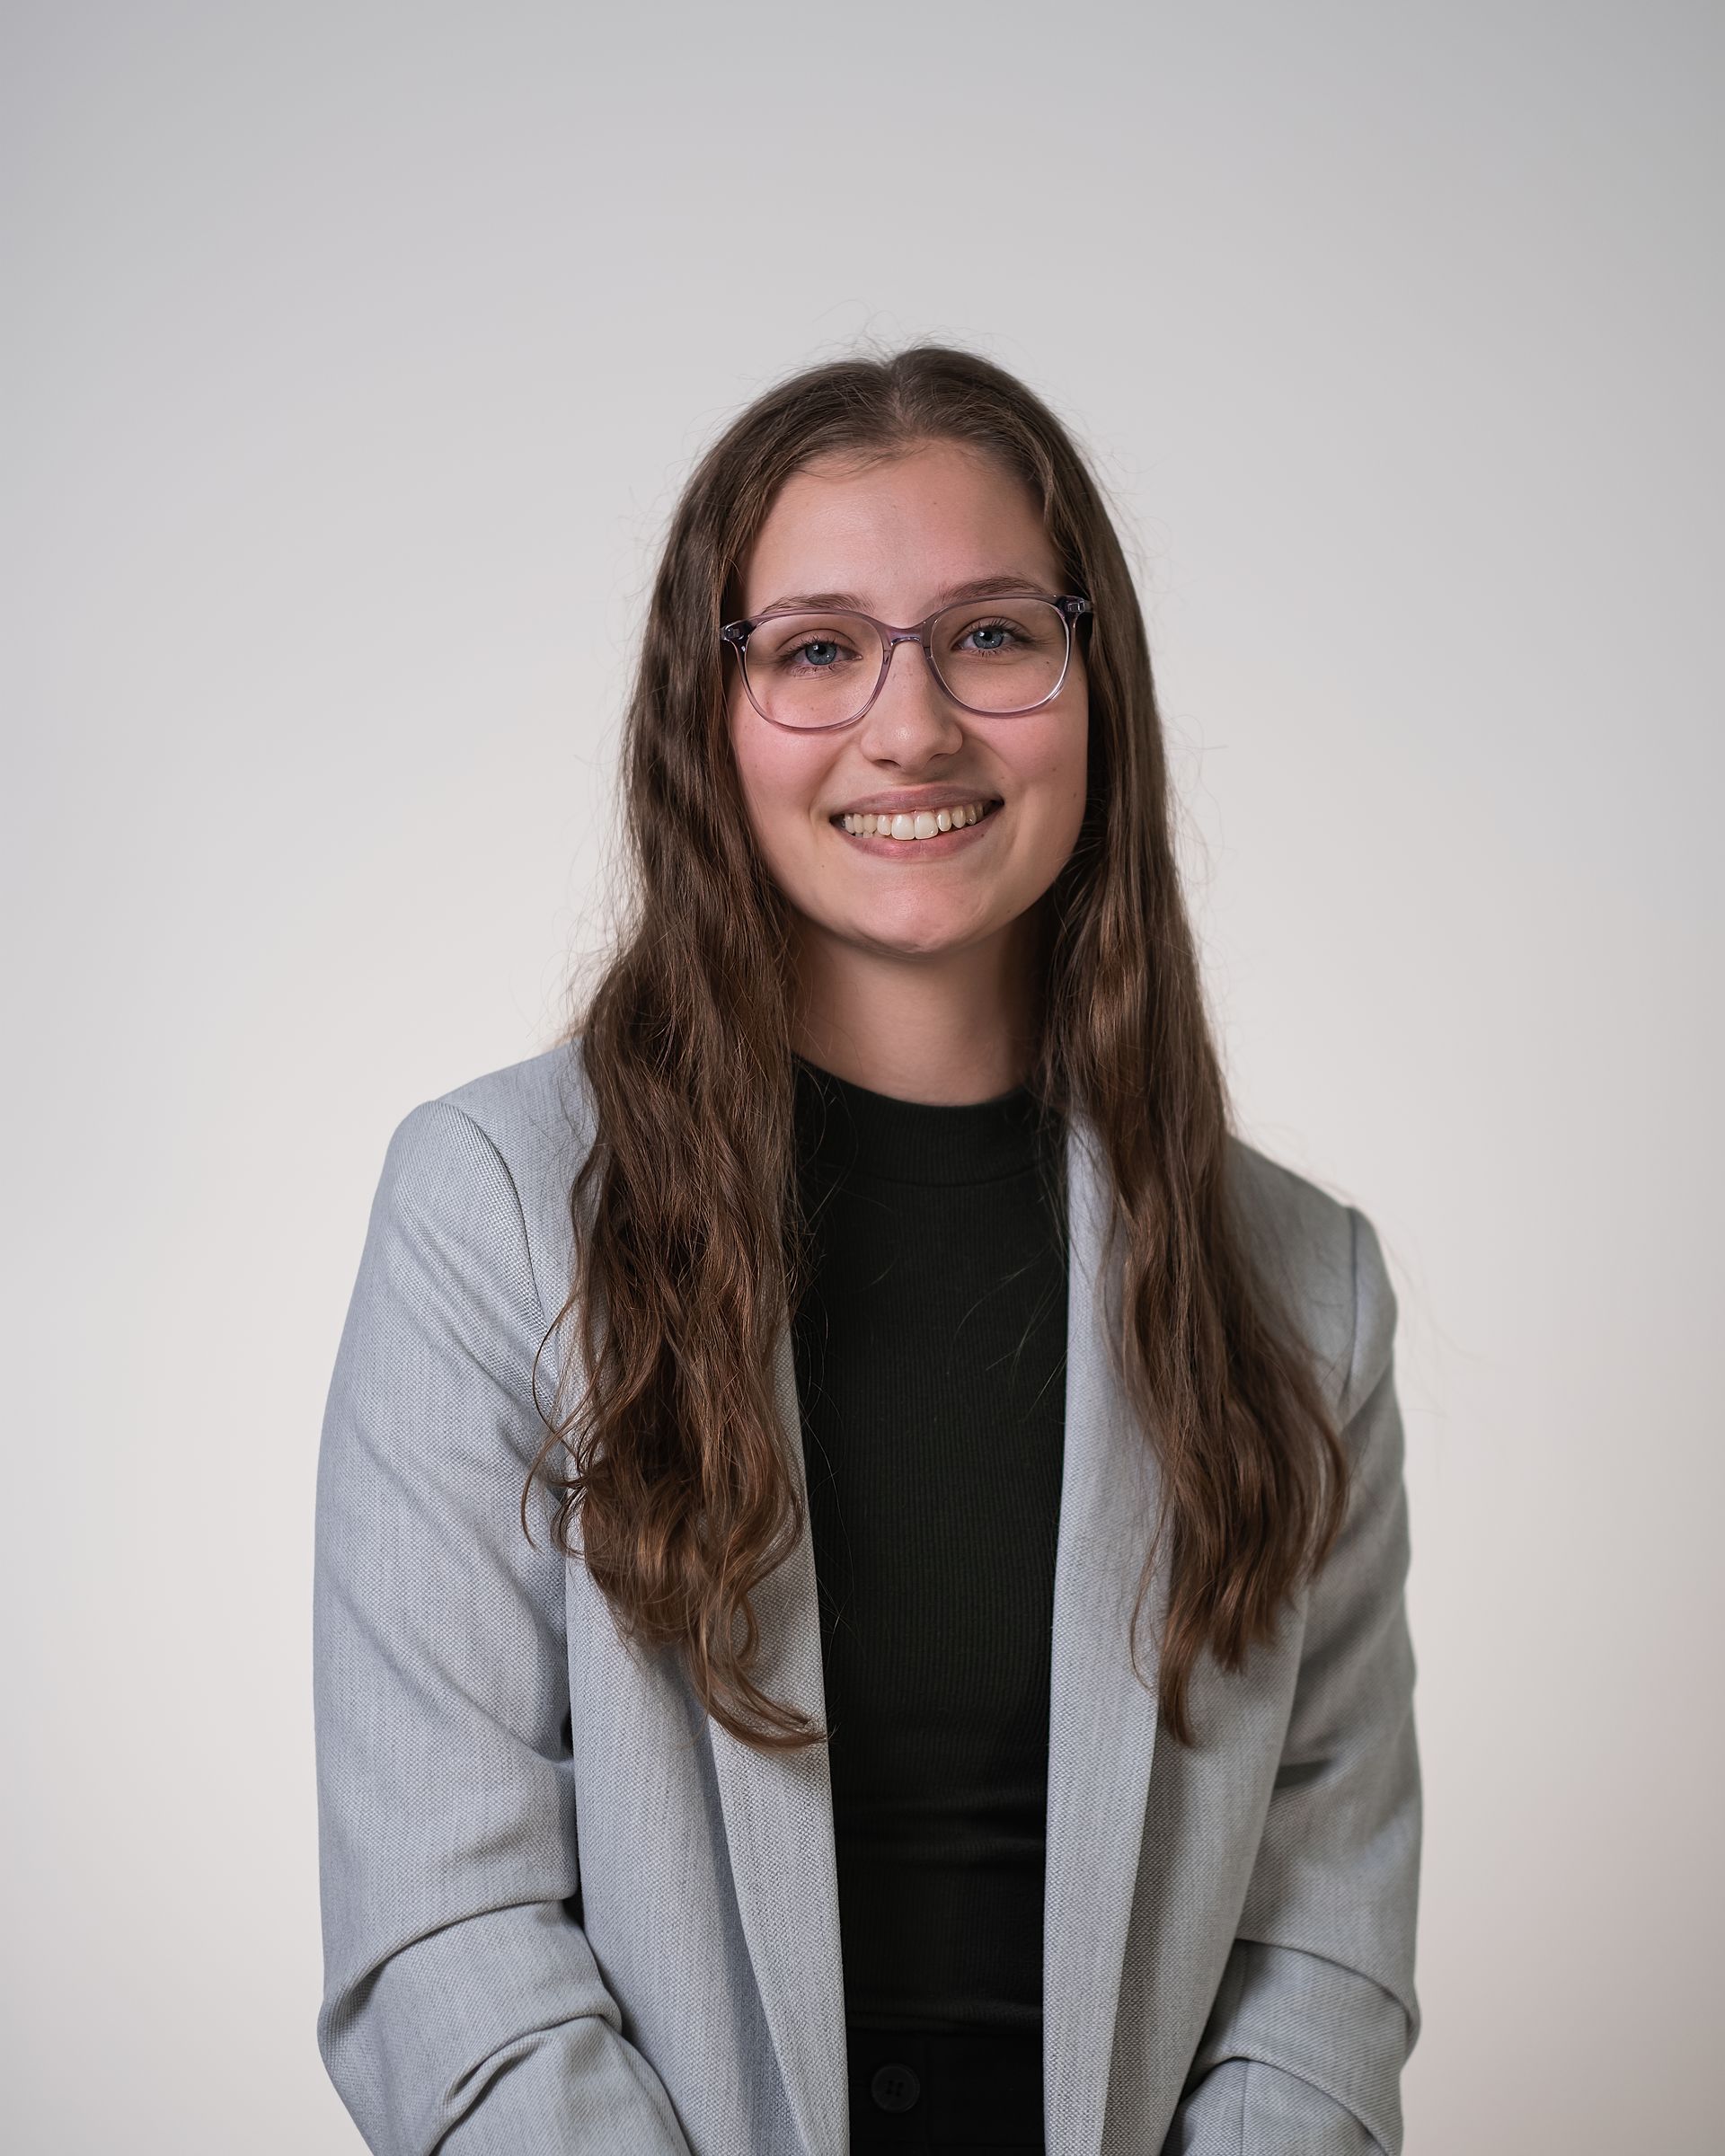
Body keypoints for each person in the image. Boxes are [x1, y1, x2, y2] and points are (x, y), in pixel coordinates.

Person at [312, 343, 1420, 2156]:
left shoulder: (1306, 1286)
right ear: (709, 716)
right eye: (819, 649)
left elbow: (1326, 1943)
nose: (912, 727)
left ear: (1095, 689)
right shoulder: (494, 1212)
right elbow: (449, 1938)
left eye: (990, 633)